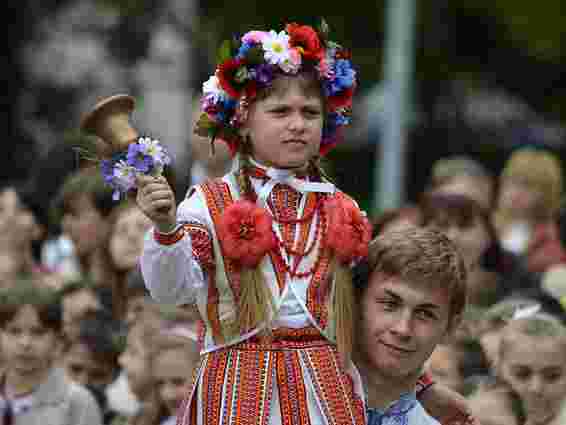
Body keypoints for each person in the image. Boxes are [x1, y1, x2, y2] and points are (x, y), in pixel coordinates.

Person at [136, 20, 370, 425]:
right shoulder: (208, 204)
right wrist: (166, 229)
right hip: (235, 391)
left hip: (326, 394)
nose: (297, 123)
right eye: (280, 111)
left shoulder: (342, 206)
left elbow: (367, 312)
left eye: (310, 112)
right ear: (242, 120)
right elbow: (169, 291)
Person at [352, 226, 479, 424]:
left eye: (425, 314)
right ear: (357, 303)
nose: (403, 329)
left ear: (451, 327)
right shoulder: (295, 388)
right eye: (390, 304)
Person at [0, 280, 102, 425]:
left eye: (38, 332)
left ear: (57, 339)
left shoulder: (77, 403)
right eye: (14, 331)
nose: (25, 343)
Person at [494, 147, 566, 273]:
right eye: (511, 181)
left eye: (527, 186)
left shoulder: (551, 249)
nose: (515, 193)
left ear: (547, 194)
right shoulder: (482, 228)